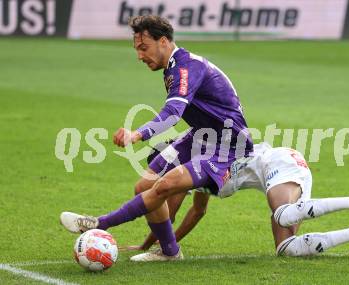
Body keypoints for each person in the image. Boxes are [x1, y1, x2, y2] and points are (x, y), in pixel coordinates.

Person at [60, 14, 253, 261]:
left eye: (144, 48)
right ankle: (170, 252)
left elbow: (173, 114)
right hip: (201, 137)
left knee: (165, 184)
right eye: (137, 50)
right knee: (144, 186)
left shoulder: (185, 67)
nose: (139, 56)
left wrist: (137, 134)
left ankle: (99, 223)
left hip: (228, 147)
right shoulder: (174, 66)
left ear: (163, 41)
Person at [127, 142, 349, 260]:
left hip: (280, 163)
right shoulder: (196, 174)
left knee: (283, 214)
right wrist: (151, 245)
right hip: (281, 174)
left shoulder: (193, 164)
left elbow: (166, 214)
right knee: (287, 249)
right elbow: (197, 212)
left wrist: (151, 247)